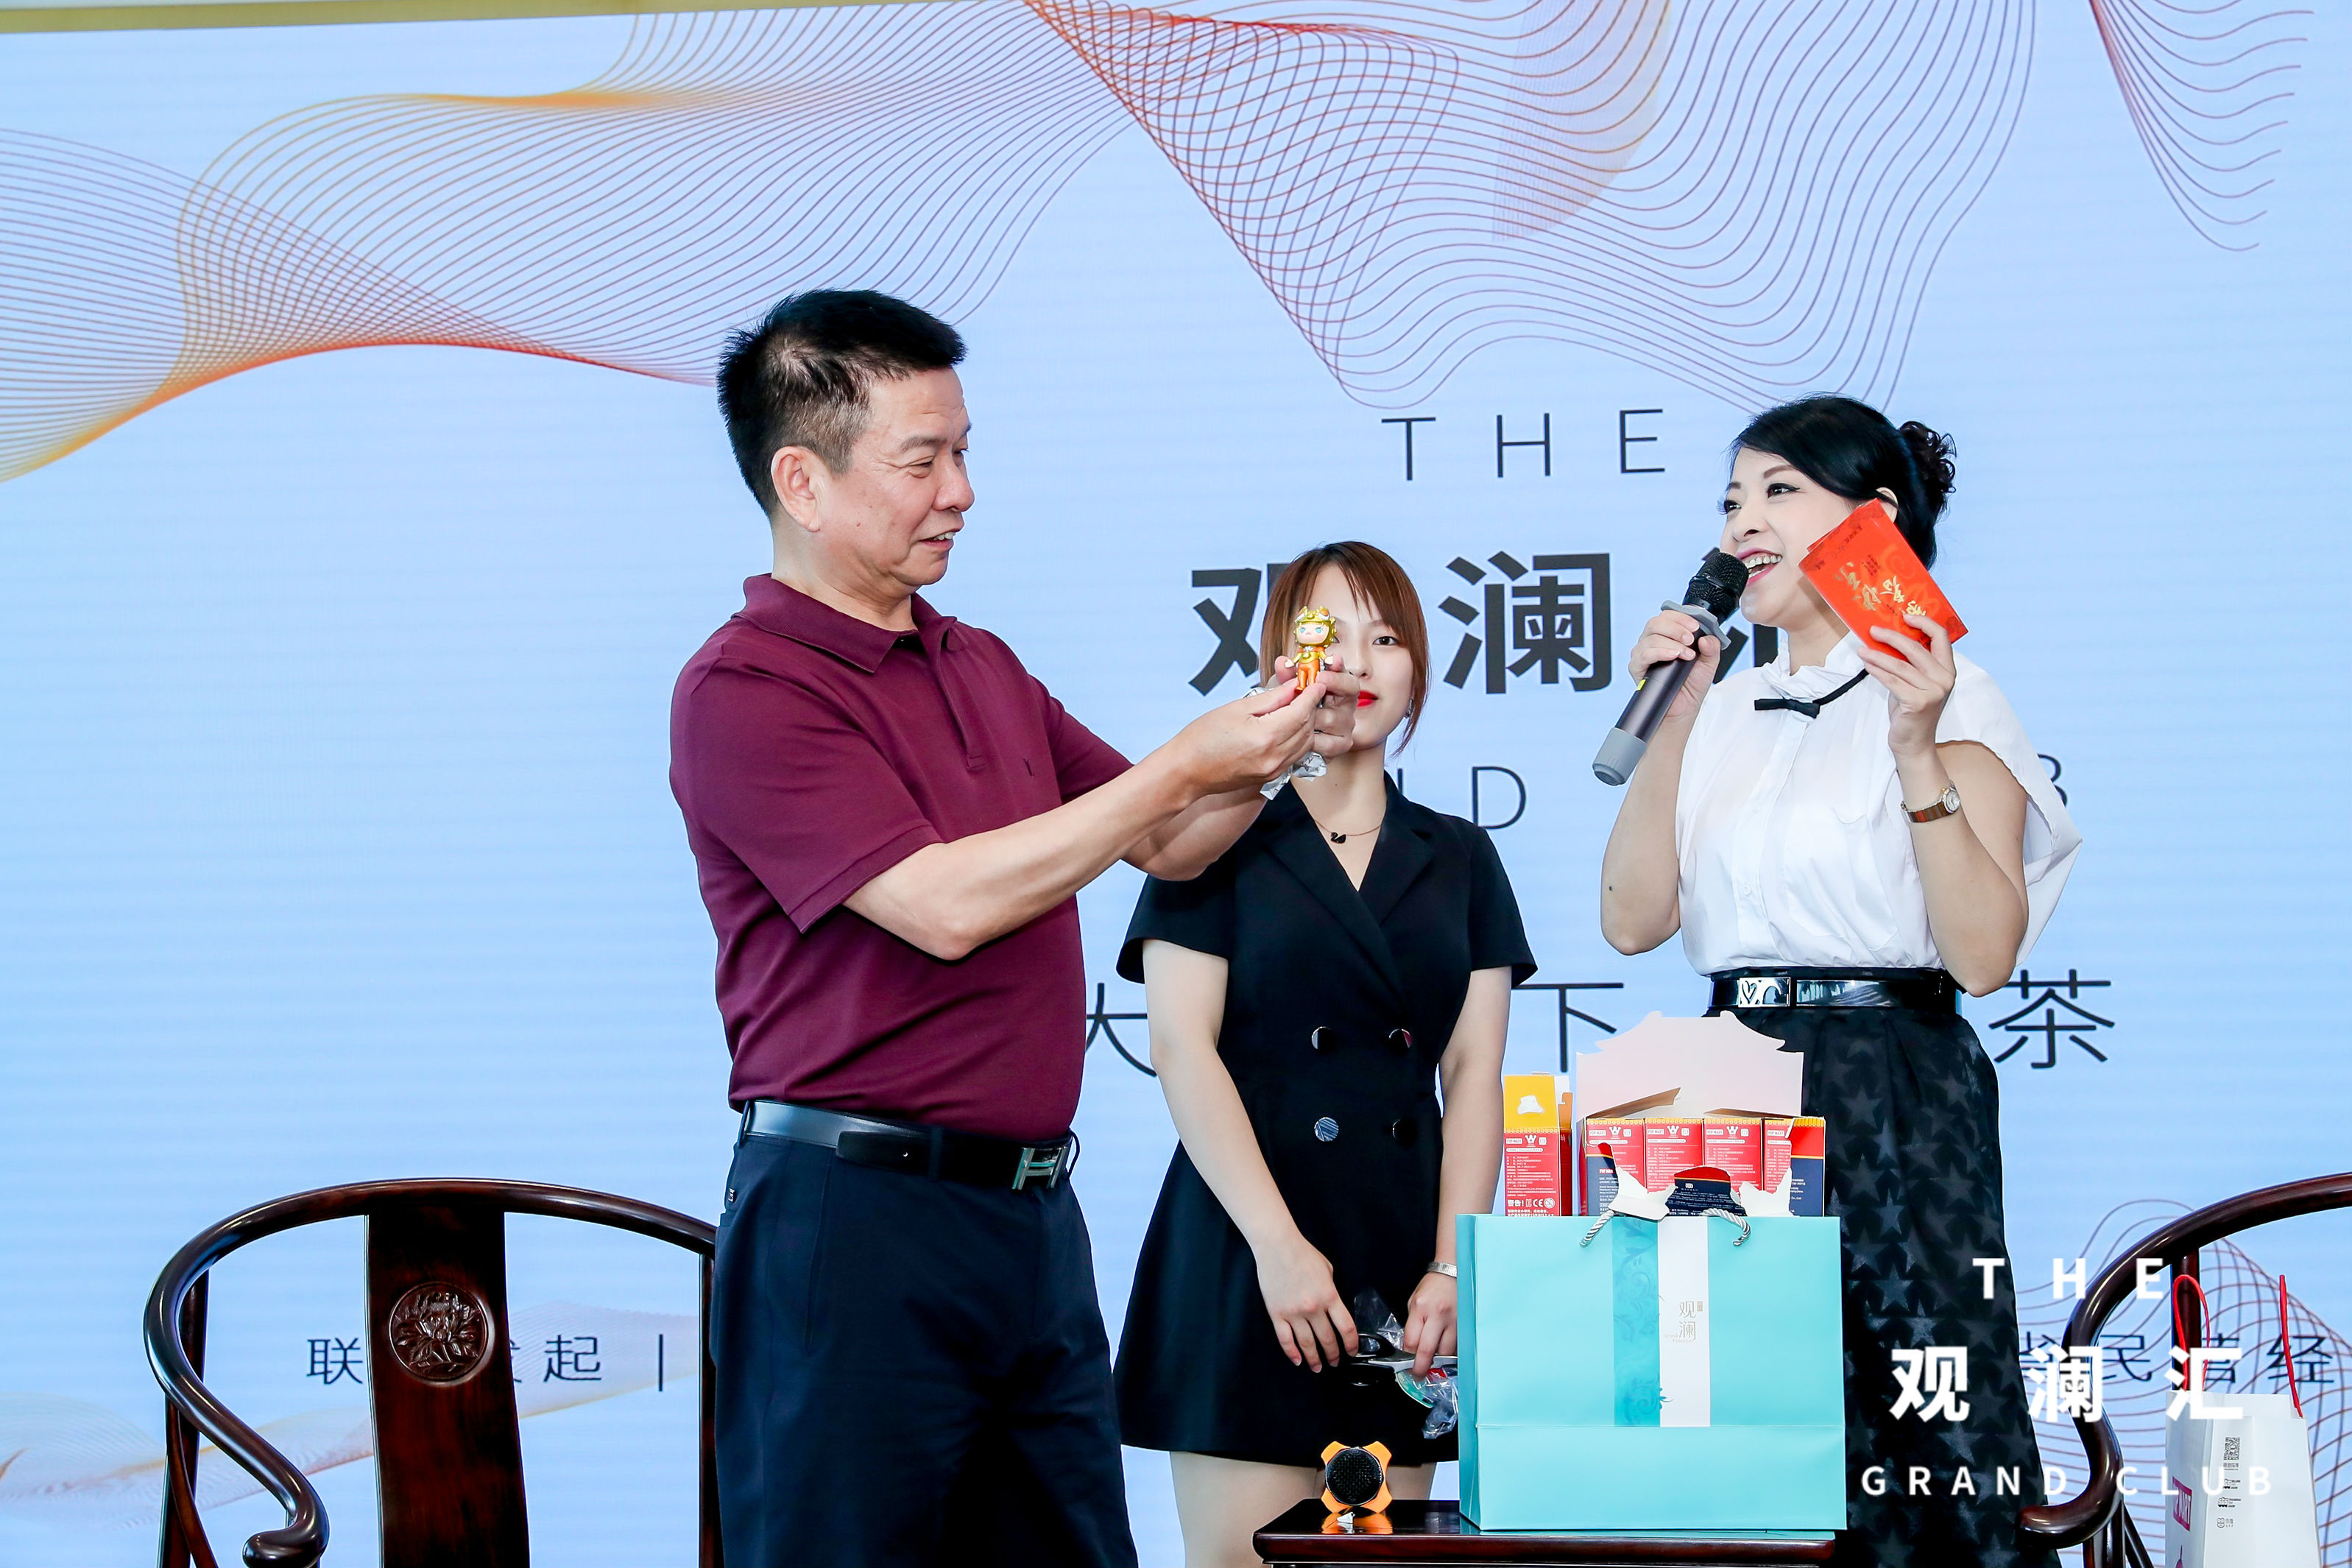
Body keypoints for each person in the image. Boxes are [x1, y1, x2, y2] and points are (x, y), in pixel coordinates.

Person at [670, 290, 1360, 1568]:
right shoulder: (746, 688)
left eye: (964, 451)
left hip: (1031, 1222)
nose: (962, 491)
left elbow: (1170, 841)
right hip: (854, 1224)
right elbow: (943, 906)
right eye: (922, 460)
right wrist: (1180, 765)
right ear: (802, 481)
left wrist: (1274, 744)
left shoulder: (978, 661)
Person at [1598, 396, 2082, 1567]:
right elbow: (1631, 919)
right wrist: (1672, 723)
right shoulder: (1718, 709)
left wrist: (1916, 745)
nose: (1742, 525)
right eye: (1732, 499)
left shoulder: (1956, 697)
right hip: (1724, 1086)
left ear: (1876, 522)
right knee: (1730, 1421)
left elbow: (1983, 955)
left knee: (1924, 1422)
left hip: (1892, 1085)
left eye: (1780, 492)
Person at [1115, 543, 1536, 1568]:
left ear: (1418, 669)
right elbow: (1182, 1047)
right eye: (1326, 635)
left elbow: (1473, 1076)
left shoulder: (1461, 855)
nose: (1355, 660)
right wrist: (1278, 1246)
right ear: (1279, 662)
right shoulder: (1209, 839)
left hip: (1401, 1264)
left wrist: (1453, 1263)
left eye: (1385, 637)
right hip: (1246, 1245)